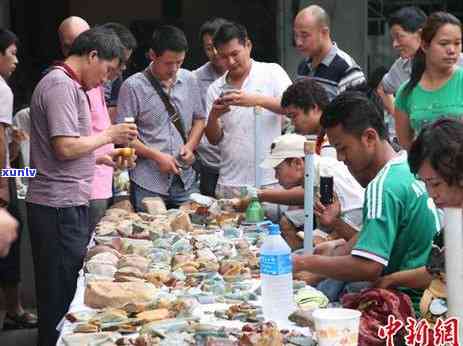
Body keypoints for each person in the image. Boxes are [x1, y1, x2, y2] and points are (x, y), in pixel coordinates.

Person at [27, 27, 138, 346]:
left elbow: (71, 151)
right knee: (60, 296)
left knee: (63, 291)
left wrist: (103, 157)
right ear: (92, 56)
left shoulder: (70, 85)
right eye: (107, 70)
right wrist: (109, 135)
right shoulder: (61, 85)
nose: (106, 79)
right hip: (57, 207)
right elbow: (63, 148)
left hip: (65, 202)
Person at [293, 91, 440, 311]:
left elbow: (368, 267)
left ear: (369, 137)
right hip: (431, 299)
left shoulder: (383, 186)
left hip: (409, 306)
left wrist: (304, 263)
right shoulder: (406, 168)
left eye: (343, 148)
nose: (341, 159)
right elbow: (371, 237)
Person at [374, 118, 463, 323]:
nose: (431, 194)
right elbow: (437, 271)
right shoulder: (452, 220)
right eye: (425, 184)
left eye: (436, 183)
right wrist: (391, 279)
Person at [117, 25, 205, 211]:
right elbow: (124, 137)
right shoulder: (132, 87)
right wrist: (156, 156)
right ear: (152, 55)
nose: (174, 68)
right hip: (148, 181)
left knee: (194, 234)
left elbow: (199, 119)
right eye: (168, 63)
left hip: (185, 179)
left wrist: (190, 146)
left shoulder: (189, 80)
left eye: (179, 62)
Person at [205, 21, 291, 198]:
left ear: (248, 45)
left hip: (269, 181)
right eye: (223, 56)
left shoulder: (271, 72)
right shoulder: (216, 88)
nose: (230, 61)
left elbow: (293, 107)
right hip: (229, 183)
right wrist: (214, 116)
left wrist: (256, 100)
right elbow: (214, 139)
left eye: (235, 54)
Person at [259, 133, 364, 251]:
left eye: (278, 169)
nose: (276, 176)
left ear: (297, 163)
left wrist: (329, 238)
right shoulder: (314, 172)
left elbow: (356, 212)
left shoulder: (326, 173)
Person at [0, 28, 37, 330]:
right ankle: (13, 308)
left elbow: (12, 164)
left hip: (13, 178)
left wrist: (14, 147)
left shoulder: (19, 124)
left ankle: (13, 308)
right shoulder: (2, 89)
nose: (16, 60)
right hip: (6, 184)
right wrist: (3, 192)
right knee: (9, 243)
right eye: (11, 53)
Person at [394, 12, 463, 150]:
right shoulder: (406, 92)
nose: (452, 50)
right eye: (444, 43)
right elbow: (407, 146)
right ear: (425, 46)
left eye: (457, 43)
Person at [293, 5, 365, 100]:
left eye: (304, 35)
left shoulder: (347, 69)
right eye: (296, 35)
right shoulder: (303, 66)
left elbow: (360, 112)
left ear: (324, 32)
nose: (298, 42)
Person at [193, 17, 229, 197]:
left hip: (239, 163)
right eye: (208, 48)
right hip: (208, 164)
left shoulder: (247, 75)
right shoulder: (195, 79)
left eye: (218, 46)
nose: (214, 52)